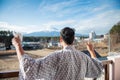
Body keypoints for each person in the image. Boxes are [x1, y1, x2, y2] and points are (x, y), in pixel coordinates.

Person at [12, 27, 103, 80]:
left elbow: (29, 67)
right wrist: (91, 51)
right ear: (73, 39)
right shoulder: (83, 57)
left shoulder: (56, 57)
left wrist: (18, 46)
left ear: (60, 39)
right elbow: (98, 69)